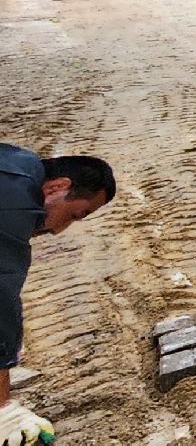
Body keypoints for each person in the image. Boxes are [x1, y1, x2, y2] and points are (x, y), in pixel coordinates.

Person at [0, 148, 115, 444]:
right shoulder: (16, 207)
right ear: (56, 187)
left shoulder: (18, 161)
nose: (59, 231)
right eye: (75, 215)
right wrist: (2, 409)